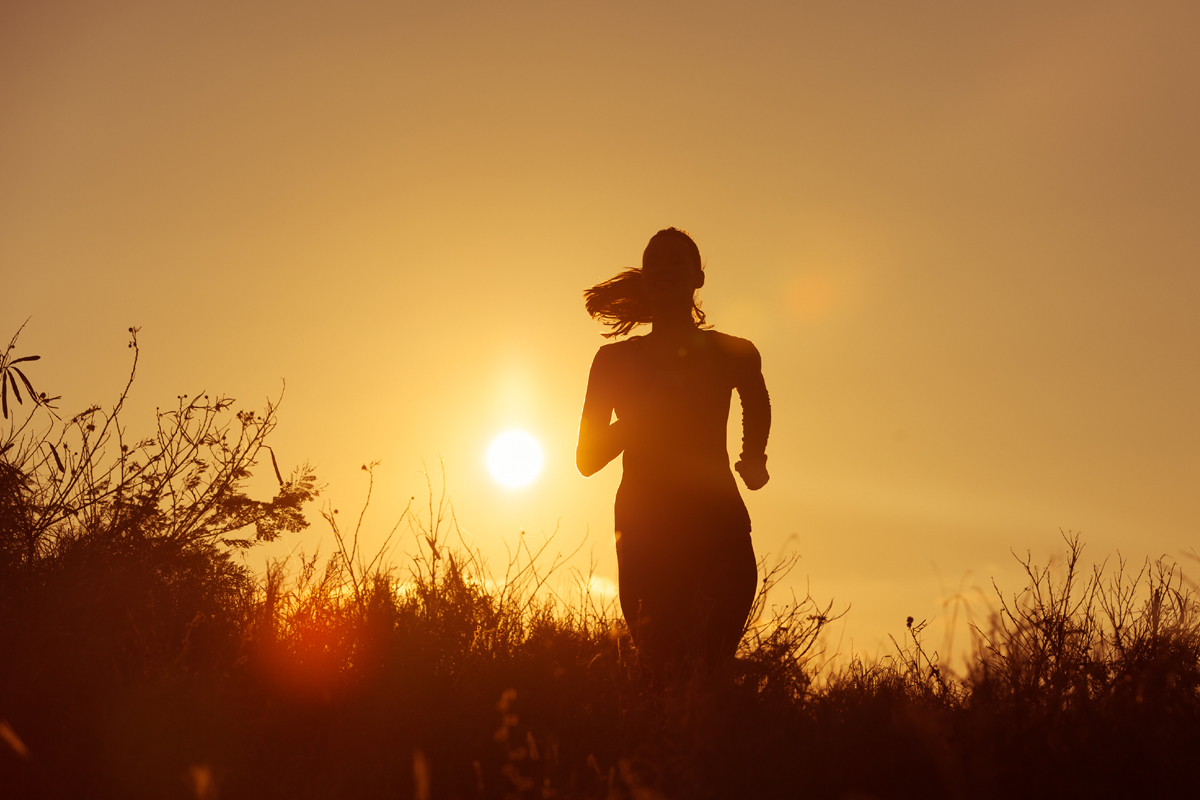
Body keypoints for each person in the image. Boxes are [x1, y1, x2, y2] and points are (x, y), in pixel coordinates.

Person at [576, 227, 771, 673]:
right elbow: (586, 459)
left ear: (697, 278)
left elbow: (757, 400)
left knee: (711, 669)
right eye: (655, 262)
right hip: (646, 536)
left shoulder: (732, 353)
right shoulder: (614, 362)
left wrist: (754, 455)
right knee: (661, 669)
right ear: (645, 279)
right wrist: (642, 414)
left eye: (676, 261)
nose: (664, 268)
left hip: (719, 531)